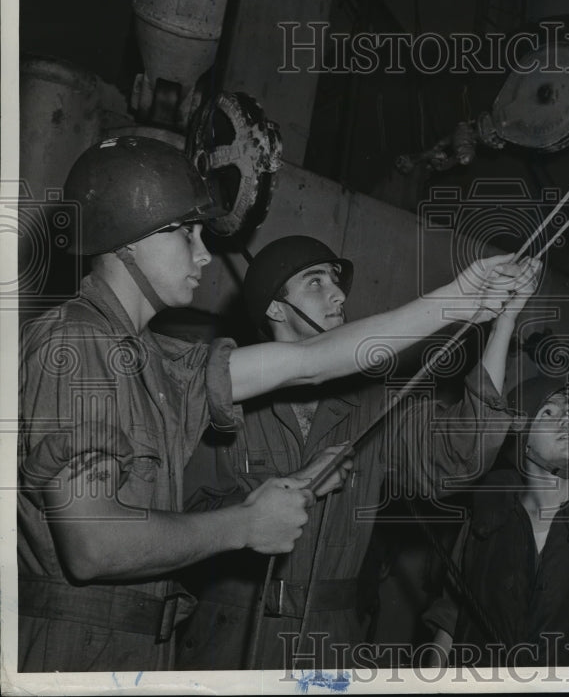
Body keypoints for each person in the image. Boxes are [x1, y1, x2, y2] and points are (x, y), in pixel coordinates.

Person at [17, 135, 522, 673]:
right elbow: (93, 545)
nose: (204, 252)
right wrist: (245, 523)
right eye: (185, 232)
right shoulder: (73, 344)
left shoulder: (162, 362)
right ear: (127, 240)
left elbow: (309, 361)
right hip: (71, 654)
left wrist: (462, 297)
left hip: (139, 652)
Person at [175, 234, 542, 669]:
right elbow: (187, 516)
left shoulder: (373, 401)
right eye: (315, 282)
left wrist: (502, 325)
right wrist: (299, 486)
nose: (337, 293)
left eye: (336, 281)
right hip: (230, 637)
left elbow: (458, 457)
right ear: (276, 307)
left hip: (330, 639)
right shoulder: (224, 399)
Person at [424, 377, 569, 667]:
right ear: (523, 440)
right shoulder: (484, 523)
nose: (567, 419)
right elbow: (449, 621)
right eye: (548, 412)